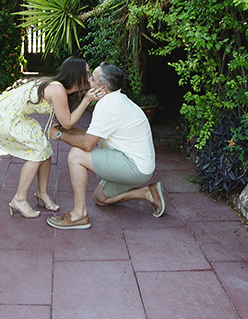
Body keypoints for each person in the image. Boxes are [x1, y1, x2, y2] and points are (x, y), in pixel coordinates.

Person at [0, 57, 99, 218]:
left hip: (14, 112)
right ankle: (19, 199)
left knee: (43, 147)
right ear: (76, 74)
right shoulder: (58, 90)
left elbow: (64, 121)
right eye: (86, 74)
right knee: (36, 151)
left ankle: (42, 193)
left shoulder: (61, 89)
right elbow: (68, 123)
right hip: (8, 115)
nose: (89, 77)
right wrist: (86, 100)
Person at [46, 63, 165, 230]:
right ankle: (147, 193)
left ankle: (78, 215)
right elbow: (91, 136)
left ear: (103, 89)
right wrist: (70, 130)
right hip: (140, 166)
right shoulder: (116, 99)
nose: (87, 80)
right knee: (100, 198)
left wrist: (59, 135)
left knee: (76, 156)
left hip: (134, 166)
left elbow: (87, 144)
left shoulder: (108, 106)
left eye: (92, 79)